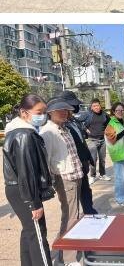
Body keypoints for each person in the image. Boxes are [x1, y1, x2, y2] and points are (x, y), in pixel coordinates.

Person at [4, 94, 55, 266]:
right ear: (25, 113)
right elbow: (27, 171)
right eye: (39, 112)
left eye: (45, 112)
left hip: (19, 188)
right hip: (24, 190)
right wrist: (34, 203)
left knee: (29, 231)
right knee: (38, 234)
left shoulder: (19, 131)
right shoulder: (24, 135)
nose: (43, 116)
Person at [39, 98, 83, 266]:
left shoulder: (64, 128)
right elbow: (46, 159)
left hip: (75, 175)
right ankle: (67, 259)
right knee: (71, 217)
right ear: (50, 113)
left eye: (66, 110)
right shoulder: (48, 132)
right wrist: (51, 182)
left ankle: (62, 254)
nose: (64, 113)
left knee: (73, 215)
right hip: (65, 178)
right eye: (60, 110)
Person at [84, 98, 110, 184]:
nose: (96, 107)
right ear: (91, 107)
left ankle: (102, 174)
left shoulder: (104, 115)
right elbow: (80, 123)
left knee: (102, 159)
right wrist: (85, 129)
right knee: (93, 159)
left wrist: (107, 131)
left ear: (100, 106)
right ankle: (92, 176)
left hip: (102, 140)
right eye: (94, 106)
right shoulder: (88, 115)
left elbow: (109, 123)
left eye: (97, 105)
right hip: (91, 140)